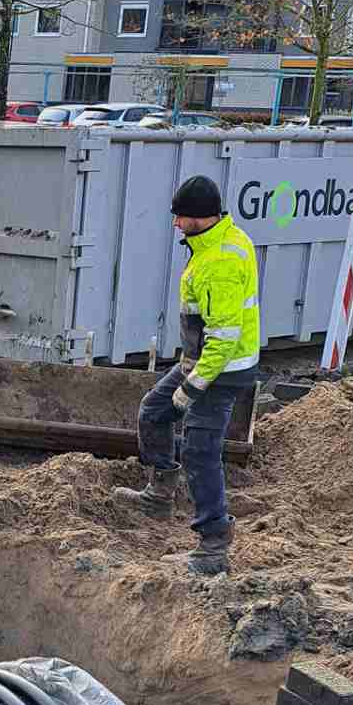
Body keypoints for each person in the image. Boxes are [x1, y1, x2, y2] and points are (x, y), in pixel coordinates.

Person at [112, 173, 260, 576]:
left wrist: (190, 391)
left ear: (200, 217)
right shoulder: (216, 241)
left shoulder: (220, 262)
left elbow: (225, 338)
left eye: (180, 217)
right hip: (200, 361)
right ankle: (160, 492)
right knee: (153, 410)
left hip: (221, 370)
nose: (175, 224)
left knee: (200, 450)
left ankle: (213, 545)